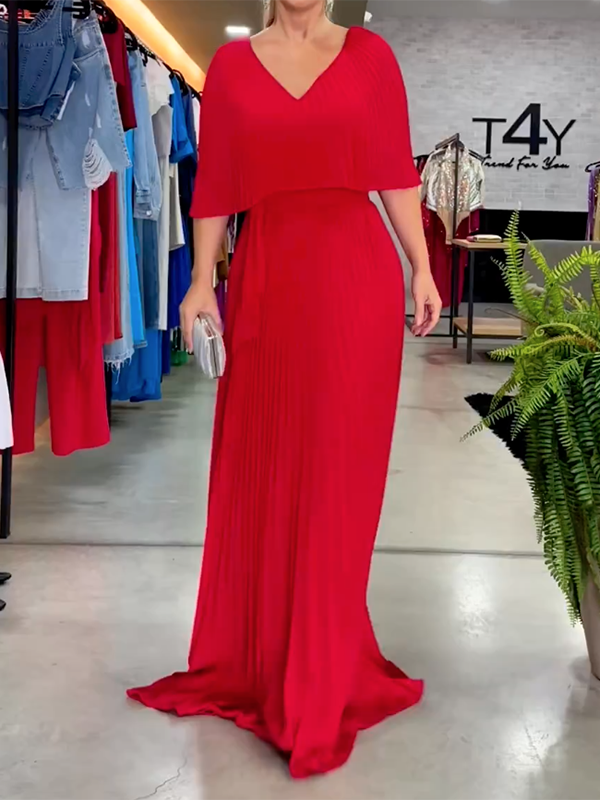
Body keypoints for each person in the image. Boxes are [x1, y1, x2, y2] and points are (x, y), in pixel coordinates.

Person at [128, 0, 442, 779]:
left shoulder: (371, 59)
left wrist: (421, 265)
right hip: (268, 284)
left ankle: (322, 671)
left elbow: (394, 172)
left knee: (337, 481)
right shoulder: (233, 68)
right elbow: (216, 186)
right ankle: (266, 658)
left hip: (354, 284)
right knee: (266, 471)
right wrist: (201, 281)